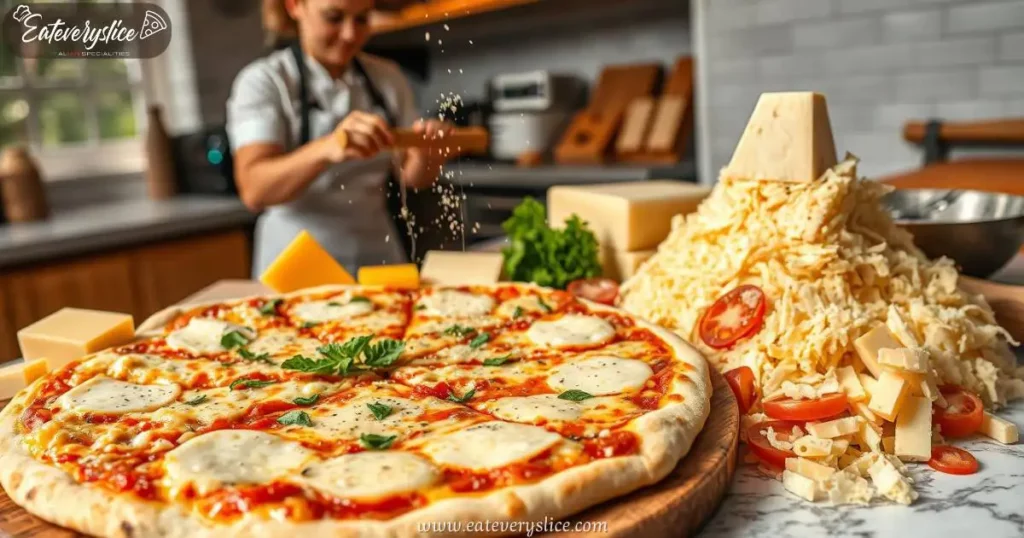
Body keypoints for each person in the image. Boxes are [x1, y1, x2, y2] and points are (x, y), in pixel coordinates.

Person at [227, 0, 452, 277]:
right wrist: (327, 148)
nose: (350, 34)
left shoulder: (388, 78)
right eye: (334, 18)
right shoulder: (263, 82)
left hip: (379, 256)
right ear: (295, 6)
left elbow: (412, 177)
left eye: (362, 19)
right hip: (296, 268)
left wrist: (426, 155)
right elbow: (254, 189)